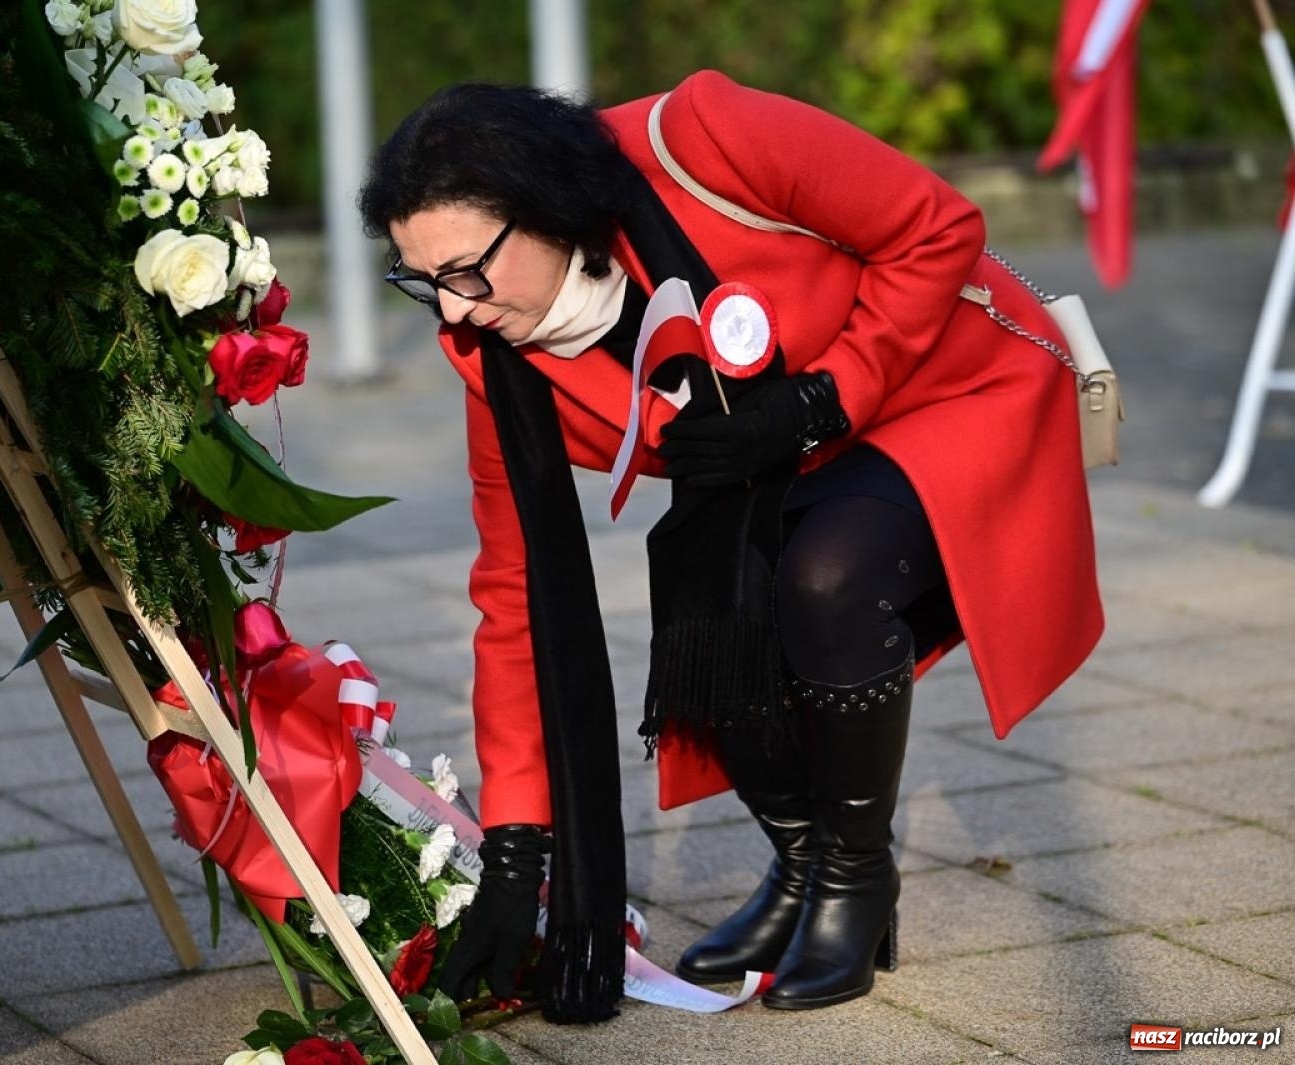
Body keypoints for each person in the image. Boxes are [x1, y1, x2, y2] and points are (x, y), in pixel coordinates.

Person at [358, 71, 1103, 1023]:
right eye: (423, 283)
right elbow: (514, 601)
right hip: (787, 469)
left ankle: (854, 877)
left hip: (947, 388)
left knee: (824, 577)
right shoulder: (494, 366)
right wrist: (513, 848)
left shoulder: (704, 136)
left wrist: (826, 394)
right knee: (700, 609)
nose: (453, 310)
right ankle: (801, 865)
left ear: (547, 212)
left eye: (467, 272)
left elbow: (939, 227)